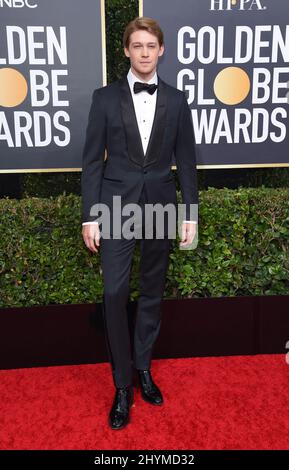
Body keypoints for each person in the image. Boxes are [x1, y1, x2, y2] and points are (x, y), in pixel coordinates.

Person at [81, 16, 198, 430]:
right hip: (114, 207)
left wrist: (191, 213)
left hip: (160, 206)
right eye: (138, 46)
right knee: (114, 292)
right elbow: (93, 160)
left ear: (161, 50)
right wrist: (90, 215)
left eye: (151, 46)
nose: (145, 53)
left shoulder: (178, 100)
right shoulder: (104, 98)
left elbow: (186, 161)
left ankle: (144, 368)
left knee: (151, 292)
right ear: (127, 51)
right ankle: (121, 385)